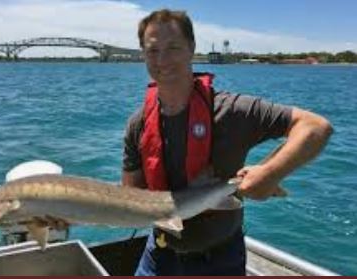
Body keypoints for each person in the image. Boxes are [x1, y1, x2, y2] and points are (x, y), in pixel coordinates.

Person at [121, 9, 333, 276]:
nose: (162, 60)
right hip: (159, 255)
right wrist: (67, 212)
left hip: (220, 260)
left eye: (173, 47)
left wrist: (269, 173)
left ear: (191, 48)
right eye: (153, 51)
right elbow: (130, 194)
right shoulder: (137, 125)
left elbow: (316, 126)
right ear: (143, 55)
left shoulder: (232, 110)